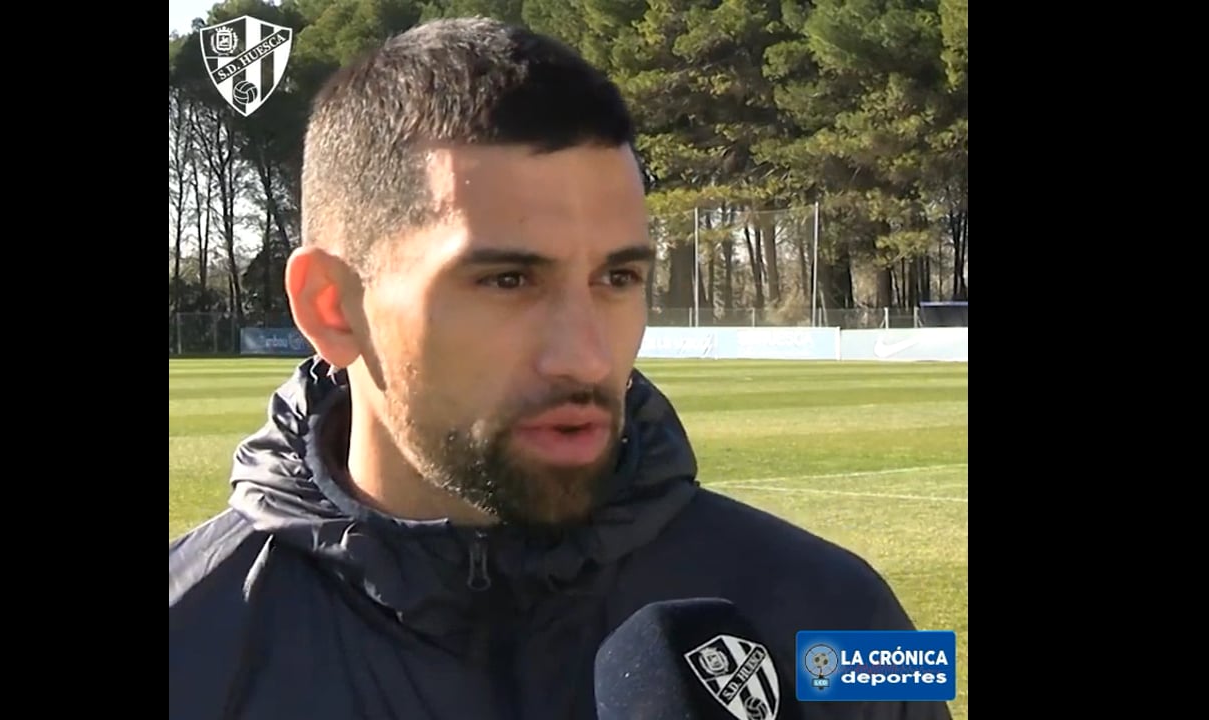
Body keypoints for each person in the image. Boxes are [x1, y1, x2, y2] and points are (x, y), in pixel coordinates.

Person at [169, 17, 953, 720]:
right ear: (333, 307)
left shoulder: (844, 615)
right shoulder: (191, 635)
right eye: (508, 281)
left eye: (618, 279)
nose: (585, 355)